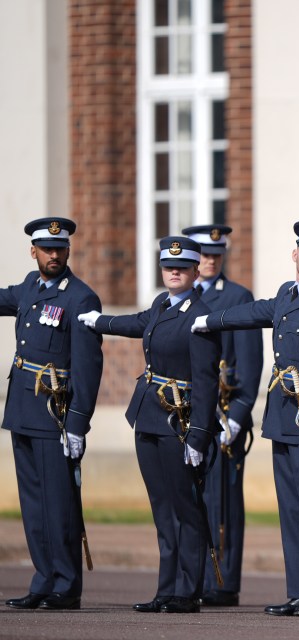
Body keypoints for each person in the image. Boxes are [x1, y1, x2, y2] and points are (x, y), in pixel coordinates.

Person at [192, 221, 299, 618]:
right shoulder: (286, 294)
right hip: (283, 418)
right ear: (294, 254)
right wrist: (210, 320)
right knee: (292, 510)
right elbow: (255, 311)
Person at [78, 236, 220, 614]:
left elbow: (207, 382)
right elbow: (138, 323)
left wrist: (199, 436)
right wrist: (99, 322)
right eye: (168, 267)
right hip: (149, 417)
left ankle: (188, 591)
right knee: (162, 510)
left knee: (185, 508)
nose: (174, 272)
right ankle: (166, 589)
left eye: (182, 267)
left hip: (180, 422)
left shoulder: (200, 316)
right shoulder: (160, 304)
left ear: (195, 271)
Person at [2, 218, 103, 611]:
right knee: (33, 504)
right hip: (22, 411)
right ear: (34, 251)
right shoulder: (29, 286)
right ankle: (43, 578)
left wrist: (77, 423)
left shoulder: (80, 298)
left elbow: (88, 367)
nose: (54, 255)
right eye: (46, 248)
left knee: (59, 503)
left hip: (55, 415)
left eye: (60, 248)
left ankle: (65, 584)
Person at [178, 224, 264, 608]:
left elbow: (249, 362)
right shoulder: (182, 296)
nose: (211, 260)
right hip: (186, 414)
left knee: (223, 501)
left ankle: (223, 580)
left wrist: (238, 416)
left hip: (224, 415)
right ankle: (190, 576)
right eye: (204, 255)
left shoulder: (238, 296)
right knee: (187, 500)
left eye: (216, 255)